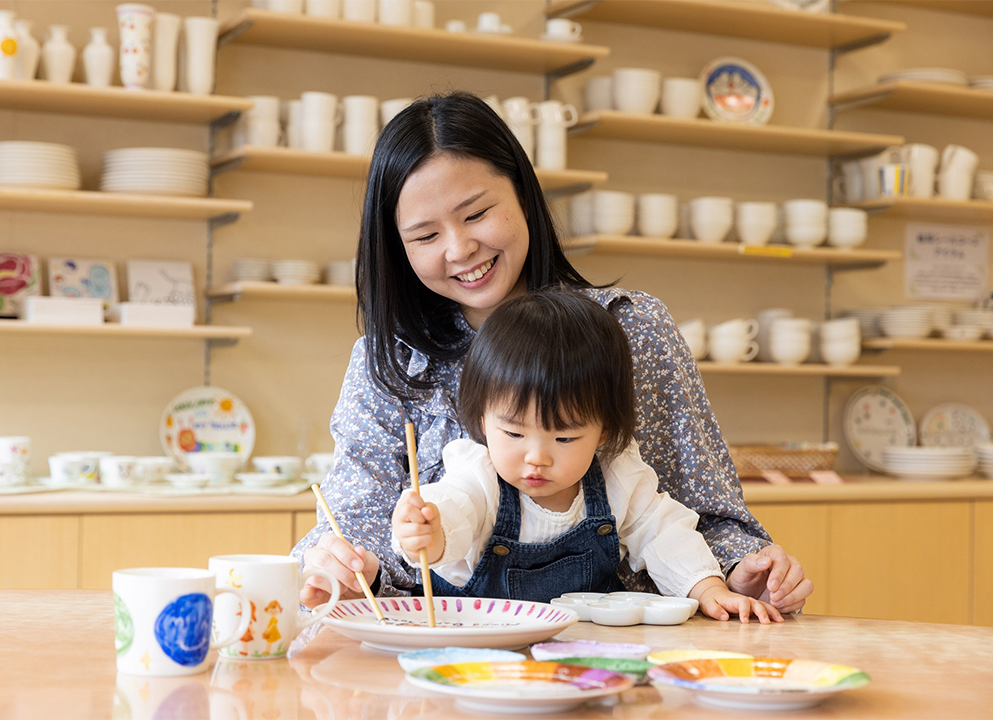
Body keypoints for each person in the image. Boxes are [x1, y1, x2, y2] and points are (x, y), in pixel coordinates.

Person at [295, 91, 813, 613]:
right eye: (425, 235)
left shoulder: (630, 329)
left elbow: (703, 515)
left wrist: (740, 570)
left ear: (523, 193)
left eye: (475, 214)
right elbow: (348, 529)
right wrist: (341, 567)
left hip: (618, 656)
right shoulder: (390, 362)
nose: (459, 249)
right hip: (452, 655)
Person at [391, 289, 782, 622]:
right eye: (513, 432)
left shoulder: (616, 478)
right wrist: (430, 531)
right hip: (482, 650)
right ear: (481, 419)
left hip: (582, 652)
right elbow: (455, 507)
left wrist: (709, 587)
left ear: (604, 432)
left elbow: (664, 533)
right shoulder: (479, 476)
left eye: (564, 438)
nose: (536, 457)